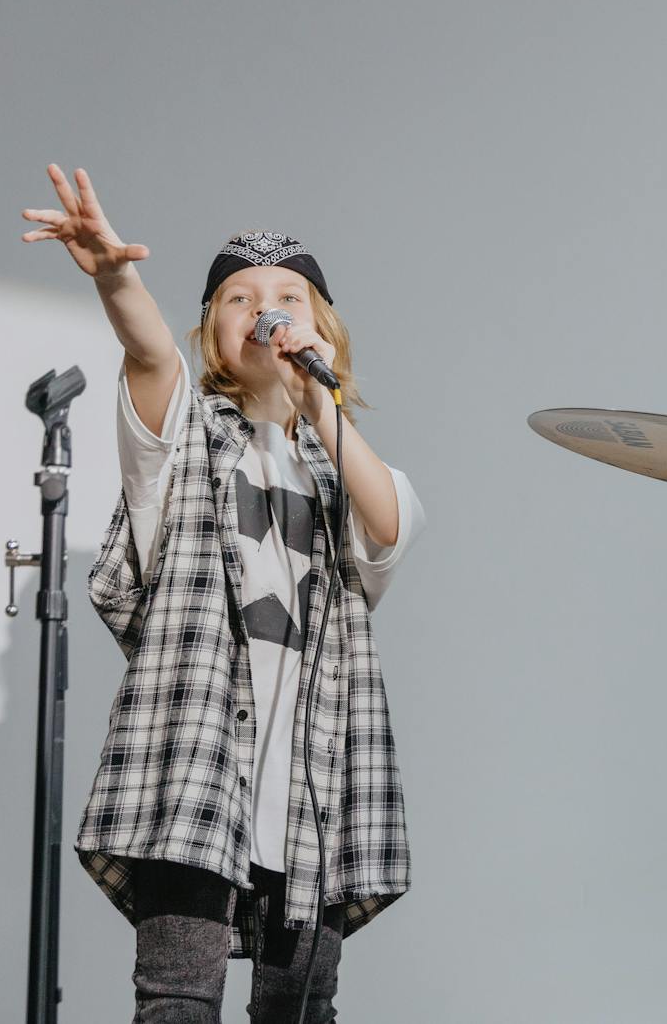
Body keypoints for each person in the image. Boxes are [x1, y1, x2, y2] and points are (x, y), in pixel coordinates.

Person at [22, 164, 424, 1021]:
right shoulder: (186, 441)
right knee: (177, 997)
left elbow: (386, 524)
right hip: (193, 776)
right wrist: (114, 274)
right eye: (240, 298)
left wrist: (321, 401)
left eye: (288, 295)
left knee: (300, 1006)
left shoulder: (345, 466)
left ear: (325, 330)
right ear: (214, 333)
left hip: (316, 790)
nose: (266, 310)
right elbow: (148, 353)